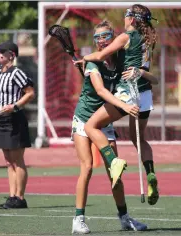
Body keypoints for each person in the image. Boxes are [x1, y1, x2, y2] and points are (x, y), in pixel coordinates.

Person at [71, 20, 158, 234]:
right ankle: (78, 219)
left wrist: (140, 73)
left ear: (113, 37)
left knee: (115, 174)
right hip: (83, 119)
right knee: (88, 167)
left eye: (105, 36)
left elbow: (148, 77)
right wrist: (124, 106)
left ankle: (124, 218)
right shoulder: (92, 64)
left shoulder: (120, 59)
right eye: (97, 37)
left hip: (104, 121)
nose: (101, 41)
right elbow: (101, 92)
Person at [0, 41, 35, 209]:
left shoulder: (17, 73)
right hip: (3, 120)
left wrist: (14, 106)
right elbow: (1, 96)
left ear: (11, 55)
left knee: (17, 160)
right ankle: (12, 196)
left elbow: (30, 93)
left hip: (15, 119)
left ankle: (20, 198)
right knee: (8, 161)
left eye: (2, 51)